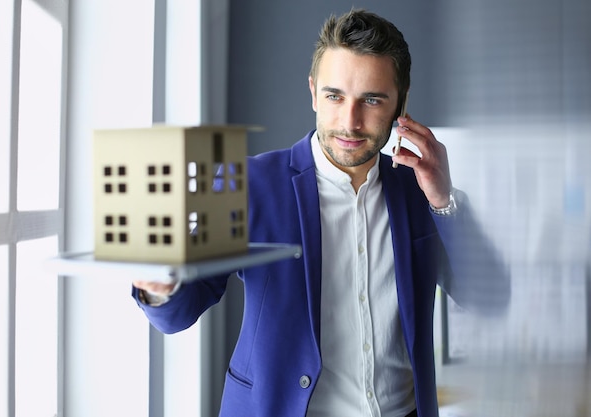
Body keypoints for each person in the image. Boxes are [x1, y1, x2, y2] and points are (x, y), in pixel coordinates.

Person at [132, 9, 510, 417]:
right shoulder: (246, 184)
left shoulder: (420, 192)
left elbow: (491, 299)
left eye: (371, 99)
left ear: (400, 101)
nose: (350, 122)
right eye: (334, 96)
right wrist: (159, 283)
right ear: (313, 92)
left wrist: (443, 201)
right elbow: (178, 313)